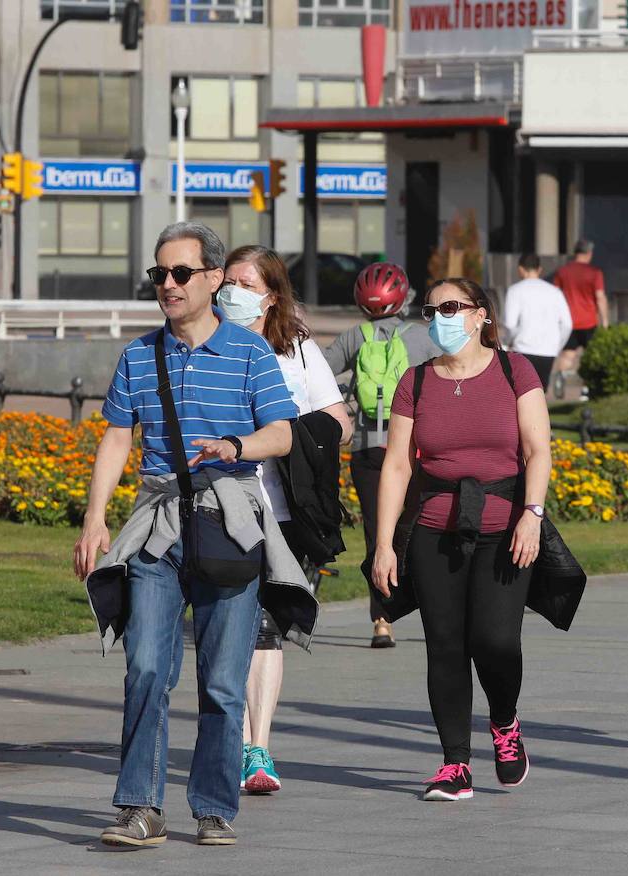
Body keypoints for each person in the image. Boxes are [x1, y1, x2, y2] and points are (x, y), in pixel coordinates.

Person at [75, 222, 312, 849]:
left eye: (181, 273)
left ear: (212, 278)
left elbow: (282, 434)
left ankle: (212, 805)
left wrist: (236, 445)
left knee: (222, 679)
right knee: (147, 666)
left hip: (229, 521)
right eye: (160, 274)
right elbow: (118, 438)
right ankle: (140, 808)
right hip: (157, 525)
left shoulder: (249, 353)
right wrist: (96, 516)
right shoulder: (138, 355)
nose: (168, 285)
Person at [370, 278, 552, 802]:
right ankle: (454, 763)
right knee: (445, 646)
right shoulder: (417, 382)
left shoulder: (515, 371)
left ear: (480, 316)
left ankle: (505, 720)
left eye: (451, 308)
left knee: (494, 641)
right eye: (432, 310)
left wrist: (532, 515)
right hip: (434, 529)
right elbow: (398, 465)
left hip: (504, 526)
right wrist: (384, 542)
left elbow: (537, 450)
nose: (440, 319)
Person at [217, 244, 353, 795]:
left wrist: (284, 434)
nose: (232, 292)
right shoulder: (203, 343)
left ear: (271, 295)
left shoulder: (295, 349)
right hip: (220, 506)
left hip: (284, 511)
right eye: (227, 281)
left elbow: (339, 422)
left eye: (245, 284)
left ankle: (257, 749)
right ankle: (231, 736)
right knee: (230, 628)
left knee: (266, 629)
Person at [324, 263, 439, 648]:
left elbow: (320, 375)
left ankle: (382, 620)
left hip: (368, 450)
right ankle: (435, 610)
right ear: (404, 296)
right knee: (423, 529)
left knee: (379, 534)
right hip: (414, 449)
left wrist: (345, 395)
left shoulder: (354, 337)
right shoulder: (424, 338)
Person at [502, 253, 573, 390]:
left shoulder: (515, 290)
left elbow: (510, 324)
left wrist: (508, 342)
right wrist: (557, 346)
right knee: (540, 393)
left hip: (522, 349)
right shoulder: (555, 292)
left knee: (520, 392)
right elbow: (567, 324)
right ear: (539, 269)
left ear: (520, 269)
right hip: (548, 351)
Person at [552, 239, 607, 402]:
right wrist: (605, 321)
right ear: (589, 253)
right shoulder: (595, 272)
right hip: (589, 321)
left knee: (568, 354)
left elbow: (555, 295)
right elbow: (600, 297)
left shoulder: (562, 272)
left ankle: (561, 376)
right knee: (589, 355)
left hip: (568, 322)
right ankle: (585, 389)